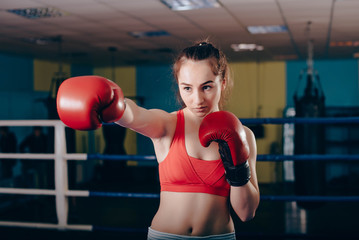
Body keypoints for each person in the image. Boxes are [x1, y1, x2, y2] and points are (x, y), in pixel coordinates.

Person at [57, 40, 260, 239]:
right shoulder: (168, 125)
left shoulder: (244, 135)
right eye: (187, 88)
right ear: (179, 86)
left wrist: (237, 169)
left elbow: (246, 212)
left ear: (222, 83)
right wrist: (113, 104)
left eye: (206, 87)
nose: (197, 100)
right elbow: (134, 116)